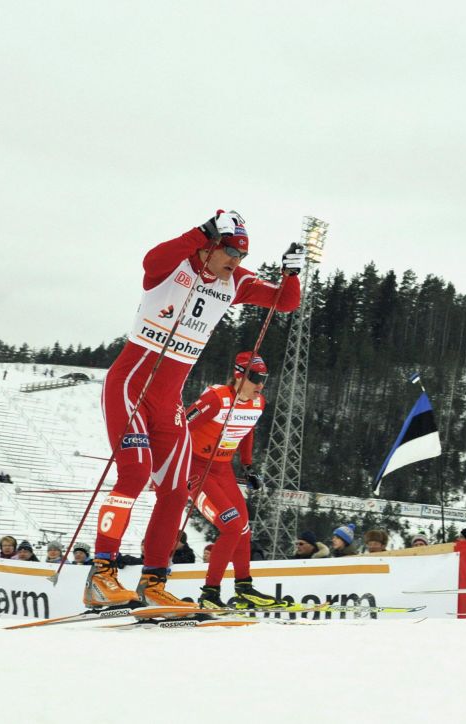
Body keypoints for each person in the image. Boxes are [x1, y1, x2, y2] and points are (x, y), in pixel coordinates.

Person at [84, 211, 305, 610]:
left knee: (174, 491)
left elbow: (285, 302)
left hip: (167, 400)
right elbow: (151, 261)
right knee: (133, 475)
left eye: (242, 256)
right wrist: (200, 232)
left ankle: (153, 581)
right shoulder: (173, 266)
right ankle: (102, 574)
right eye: (230, 253)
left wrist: (292, 273)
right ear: (210, 246)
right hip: (131, 386)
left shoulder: (233, 282)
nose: (235, 263)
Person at [187, 352, 284, 609]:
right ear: (240, 376)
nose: (261, 385)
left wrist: (249, 466)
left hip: (222, 470)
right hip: (196, 469)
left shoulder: (258, 403)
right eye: (256, 378)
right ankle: (209, 595)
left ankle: (244, 589)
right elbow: (181, 428)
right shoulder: (216, 399)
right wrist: (165, 469)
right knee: (231, 526)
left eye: (264, 379)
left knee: (243, 528)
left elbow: (247, 431)